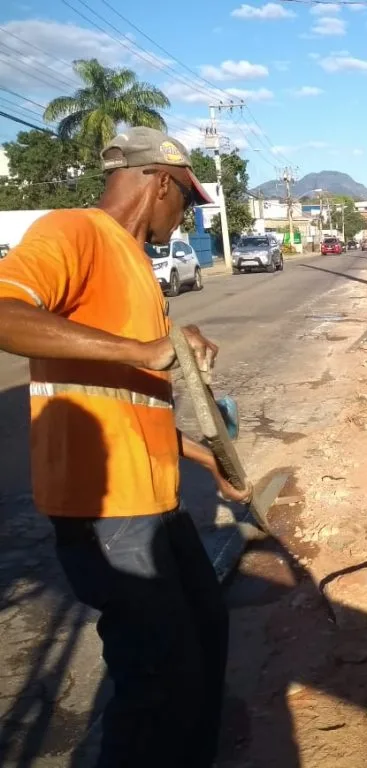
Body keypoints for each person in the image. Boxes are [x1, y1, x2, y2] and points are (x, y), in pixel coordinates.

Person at [0, 127, 252, 767]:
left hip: (154, 502)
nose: (187, 216)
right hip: (107, 511)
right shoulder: (74, 232)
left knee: (205, 634)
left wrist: (209, 463)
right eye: (187, 202)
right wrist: (143, 350)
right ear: (160, 181)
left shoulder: (138, 266)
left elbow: (133, 403)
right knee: (157, 683)